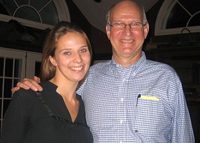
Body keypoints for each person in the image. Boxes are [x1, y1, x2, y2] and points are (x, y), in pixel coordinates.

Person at [11, 0, 195, 142]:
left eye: (135, 24)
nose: (127, 32)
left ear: (145, 30)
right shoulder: (88, 77)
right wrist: (30, 89)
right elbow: (58, 93)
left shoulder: (167, 78)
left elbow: (183, 137)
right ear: (108, 30)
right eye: (119, 24)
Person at [2, 21, 93, 143]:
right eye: (67, 52)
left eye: (83, 50)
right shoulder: (28, 96)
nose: (78, 59)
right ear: (53, 60)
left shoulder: (86, 104)